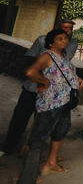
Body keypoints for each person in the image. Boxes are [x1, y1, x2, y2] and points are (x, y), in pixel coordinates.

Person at [2, 19, 78, 156]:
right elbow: (30, 60)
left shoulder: (72, 44)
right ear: (56, 28)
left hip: (53, 94)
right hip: (34, 87)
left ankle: (31, 151)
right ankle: (9, 147)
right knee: (21, 117)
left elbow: (65, 64)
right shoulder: (42, 40)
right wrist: (43, 78)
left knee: (42, 124)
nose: (67, 32)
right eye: (64, 28)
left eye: (70, 29)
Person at [22, 29, 78, 175]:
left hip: (65, 101)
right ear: (51, 43)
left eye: (65, 38)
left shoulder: (63, 56)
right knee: (39, 136)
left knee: (61, 130)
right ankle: (28, 173)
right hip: (50, 102)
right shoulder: (47, 56)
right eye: (60, 39)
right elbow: (30, 72)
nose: (65, 41)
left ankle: (51, 162)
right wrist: (44, 81)